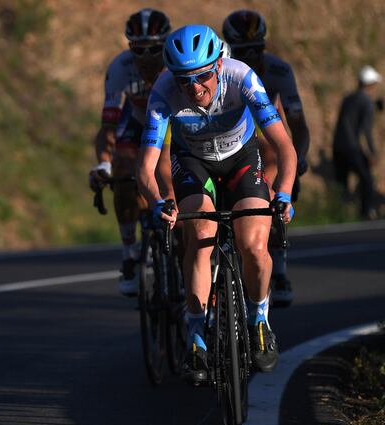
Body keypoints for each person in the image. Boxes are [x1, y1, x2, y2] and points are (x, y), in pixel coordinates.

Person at [136, 25, 297, 381]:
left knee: (253, 245)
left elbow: (284, 147)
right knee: (201, 233)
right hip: (193, 162)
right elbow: (145, 167)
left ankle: (259, 318)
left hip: (241, 157)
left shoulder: (243, 79)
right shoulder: (163, 92)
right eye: (184, 81)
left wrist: (283, 191)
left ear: (220, 66)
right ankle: (196, 332)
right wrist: (158, 201)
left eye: (203, 76)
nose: (195, 89)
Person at [222, 10, 311, 306]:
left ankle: (280, 264)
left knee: (282, 171)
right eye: (243, 52)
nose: (251, 57)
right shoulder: (222, 70)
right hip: (231, 125)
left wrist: (299, 158)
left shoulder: (279, 70)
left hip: (264, 123)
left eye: (257, 50)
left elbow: (297, 122)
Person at [89, 8, 172, 296]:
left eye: (154, 49)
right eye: (138, 49)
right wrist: (103, 164)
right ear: (129, 47)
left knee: (170, 175)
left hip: (171, 124)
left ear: (165, 45)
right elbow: (108, 127)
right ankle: (129, 253)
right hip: (136, 121)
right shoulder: (120, 67)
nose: (146, 56)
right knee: (123, 173)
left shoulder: (176, 65)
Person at [332, 65, 381, 220]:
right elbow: (365, 131)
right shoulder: (366, 102)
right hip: (352, 147)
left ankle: (338, 213)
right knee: (367, 179)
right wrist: (371, 153)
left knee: (341, 184)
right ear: (371, 84)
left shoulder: (348, 99)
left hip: (338, 146)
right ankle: (367, 212)